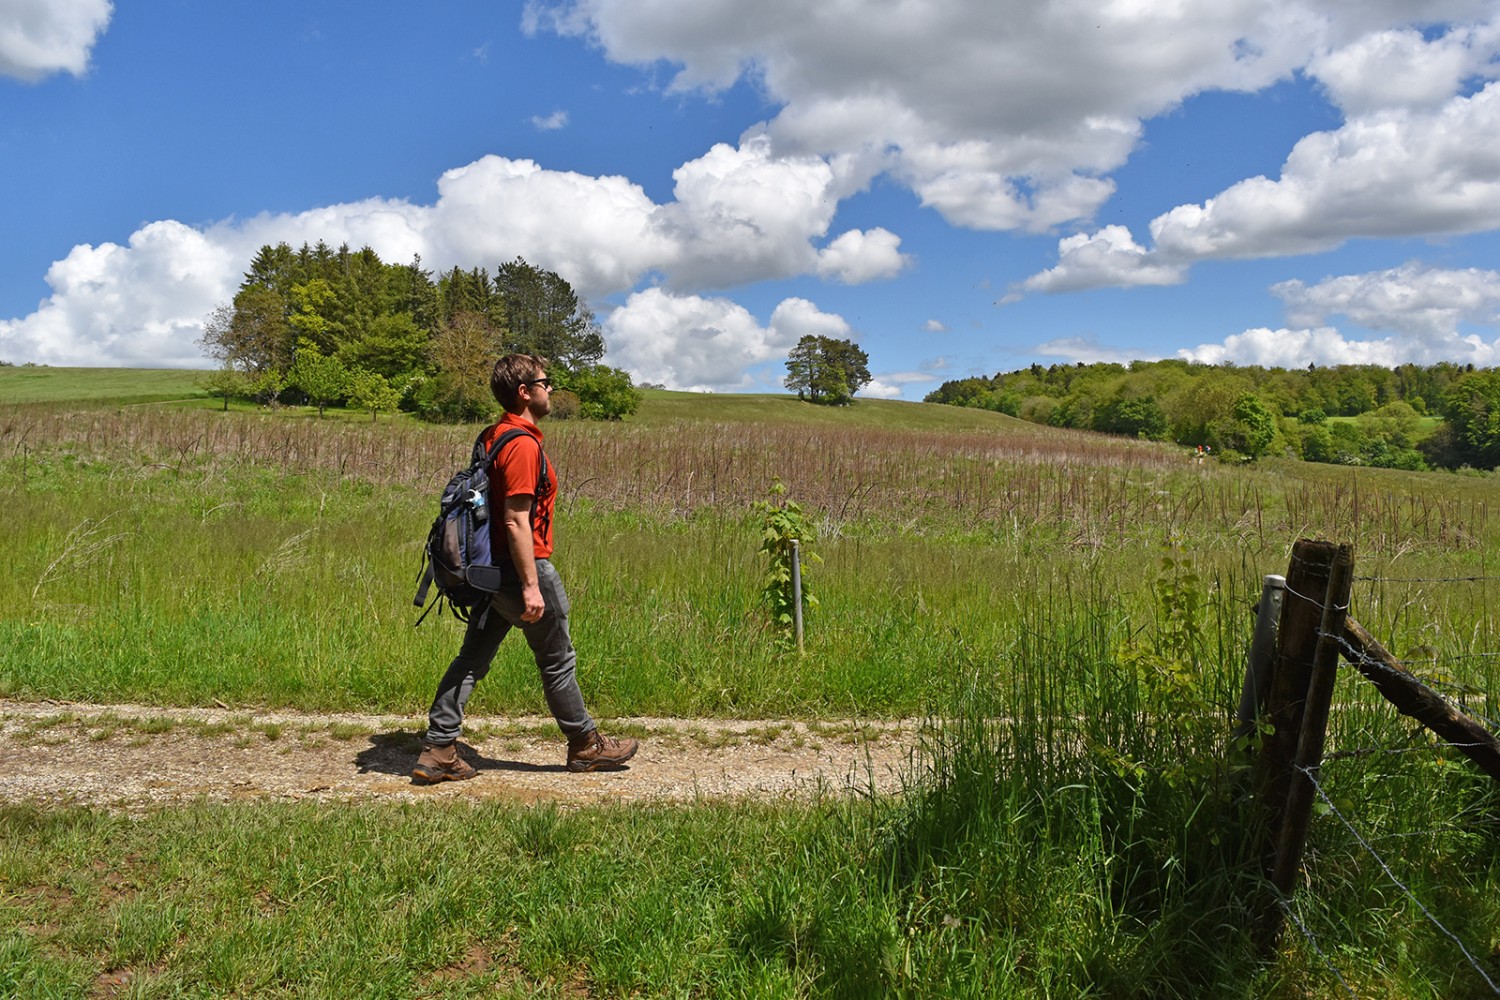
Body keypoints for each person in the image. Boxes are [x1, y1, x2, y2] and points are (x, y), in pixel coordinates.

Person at [413, 354, 639, 782]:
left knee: (473, 657)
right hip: (520, 570)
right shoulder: (520, 444)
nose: (550, 388)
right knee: (557, 660)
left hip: (489, 573)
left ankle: (439, 747)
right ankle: (585, 745)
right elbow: (516, 519)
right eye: (544, 381)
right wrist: (532, 585)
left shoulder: (492, 436)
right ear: (524, 392)